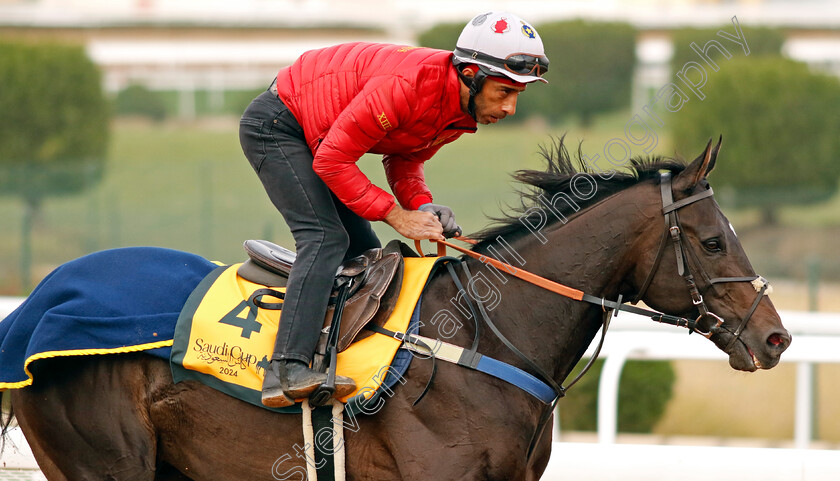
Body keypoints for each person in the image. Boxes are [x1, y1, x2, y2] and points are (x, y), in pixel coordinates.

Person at [239, 11, 549, 408]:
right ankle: (285, 369)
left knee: (365, 252)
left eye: (518, 95)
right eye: (505, 92)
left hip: (318, 140)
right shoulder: (408, 86)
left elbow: (404, 162)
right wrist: (398, 216)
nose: (510, 109)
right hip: (278, 126)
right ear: (472, 73)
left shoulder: (458, 110)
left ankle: (337, 352)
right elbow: (333, 160)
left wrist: (422, 206)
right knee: (325, 238)